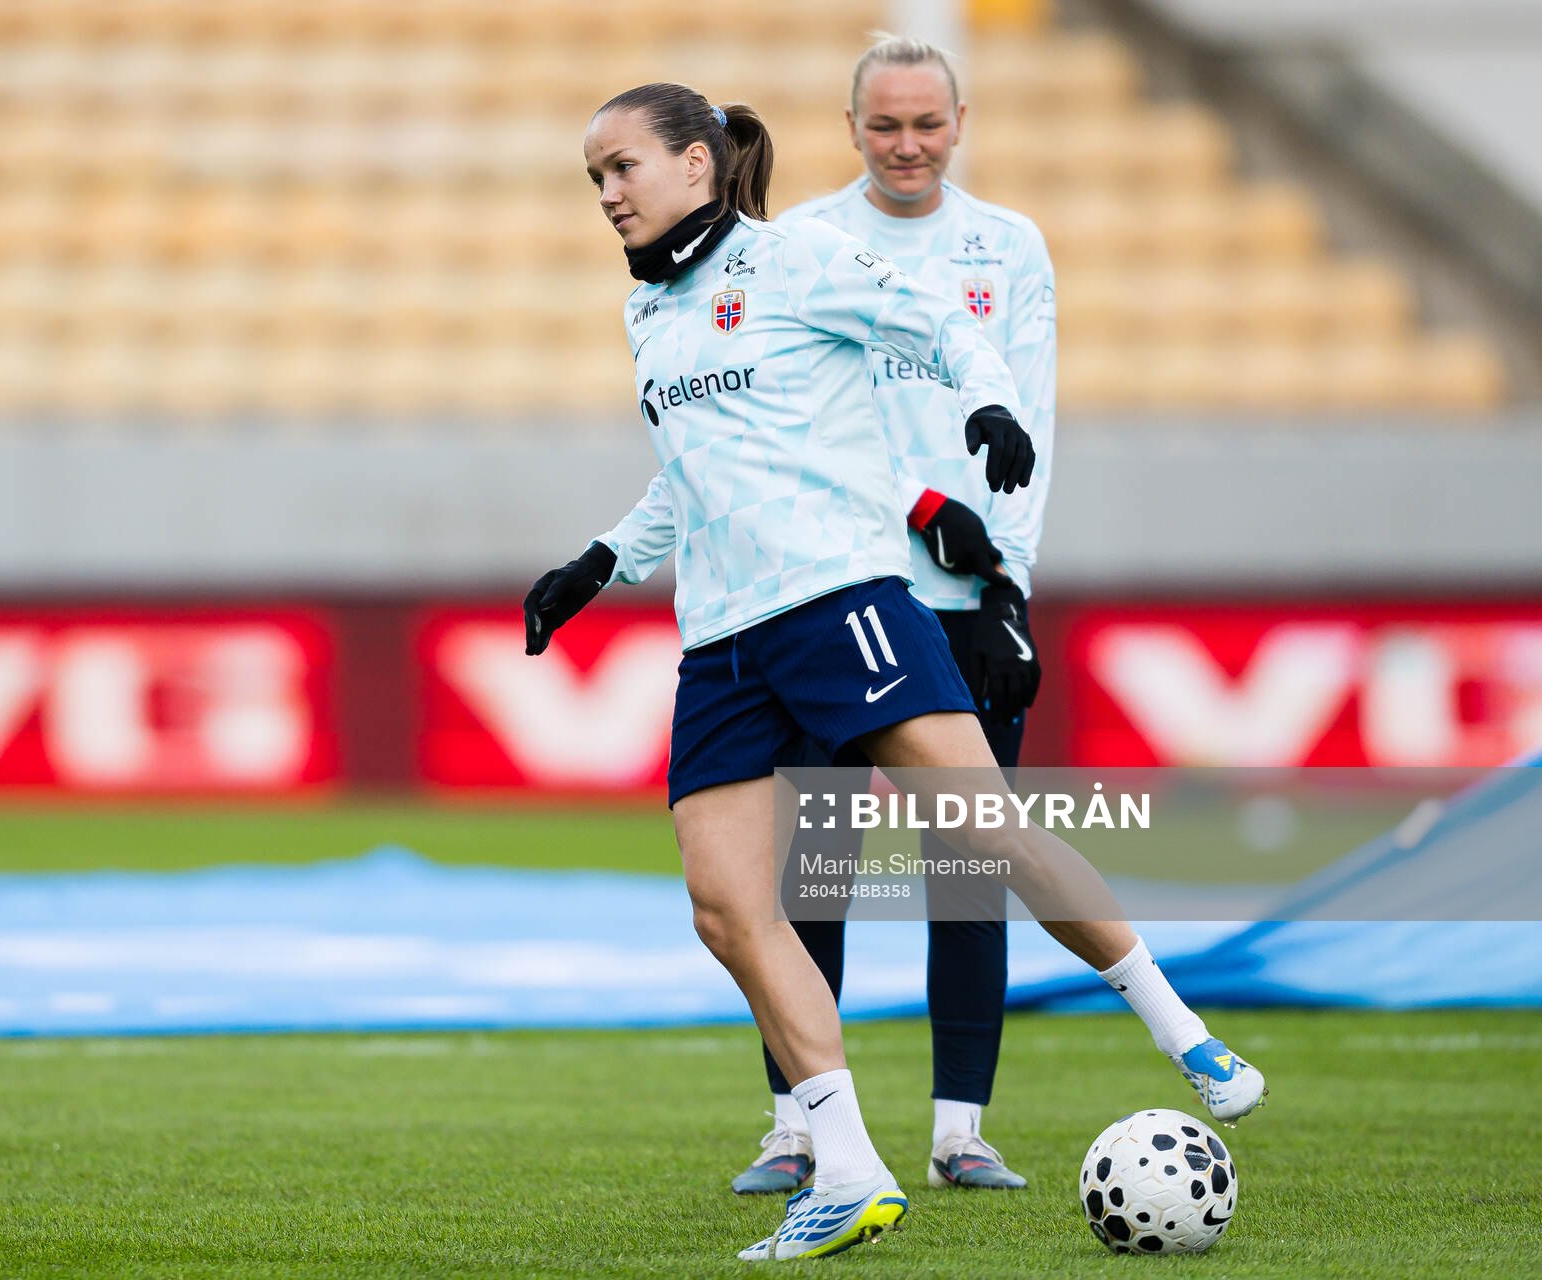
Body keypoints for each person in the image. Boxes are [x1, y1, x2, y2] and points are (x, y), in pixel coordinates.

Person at [525, 82, 1264, 1263]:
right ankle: (849, 1166)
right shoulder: (648, 315)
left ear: (698, 166)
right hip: (720, 637)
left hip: (841, 603)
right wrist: (600, 561)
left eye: (622, 166)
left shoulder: (795, 263)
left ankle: (1184, 1032)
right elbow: (694, 468)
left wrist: (988, 406)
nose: (606, 193)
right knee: (728, 906)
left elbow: (940, 327)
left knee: (987, 837)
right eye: (593, 177)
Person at [710, 35, 1053, 1197]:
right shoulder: (799, 243)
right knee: (817, 873)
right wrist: (910, 513)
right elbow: (784, 427)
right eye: (885, 126)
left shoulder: (1009, 249)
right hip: (833, 587)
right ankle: (797, 1129)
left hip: (964, 598)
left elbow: (1029, 421)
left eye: (928, 124)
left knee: (969, 870)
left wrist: (1010, 585)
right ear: (851, 127)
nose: (907, 146)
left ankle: (961, 1130)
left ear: (962, 120)